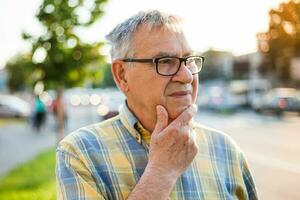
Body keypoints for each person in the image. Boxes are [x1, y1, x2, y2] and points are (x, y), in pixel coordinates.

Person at [56, 10, 258, 200]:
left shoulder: (226, 150)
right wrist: (162, 172)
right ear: (122, 75)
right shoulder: (80, 152)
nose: (187, 76)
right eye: (166, 61)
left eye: (189, 60)